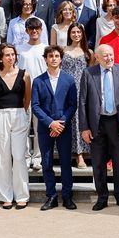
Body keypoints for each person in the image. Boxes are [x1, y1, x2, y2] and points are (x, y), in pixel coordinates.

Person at [79, 44, 119, 211]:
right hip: (97, 124)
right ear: (97, 57)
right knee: (98, 163)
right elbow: (82, 102)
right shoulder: (88, 73)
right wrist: (84, 127)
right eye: (105, 56)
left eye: (111, 55)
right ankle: (102, 197)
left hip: (118, 123)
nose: (109, 58)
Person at [31, 45, 78, 210]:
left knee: (65, 162)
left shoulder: (69, 80)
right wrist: (51, 123)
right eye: (50, 56)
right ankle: (51, 196)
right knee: (47, 162)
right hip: (46, 128)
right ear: (45, 59)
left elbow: (73, 105)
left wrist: (61, 122)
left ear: (61, 59)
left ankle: (67, 196)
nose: (53, 58)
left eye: (57, 56)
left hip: (64, 128)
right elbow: (35, 106)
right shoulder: (38, 81)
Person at [0, 43, 31, 209]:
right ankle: (5, 196)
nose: (10, 57)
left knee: (19, 157)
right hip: (0, 115)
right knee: (2, 157)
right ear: (0, 57)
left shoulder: (24, 75)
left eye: (13, 54)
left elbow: (27, 99)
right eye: (7, 55)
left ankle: (22, 195)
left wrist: (20, 113)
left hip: (19, 114)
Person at [17, 17, 48, 171]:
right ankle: (25, 157)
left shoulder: (46, 48)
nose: (34, 31)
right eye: (31, 29)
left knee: (39, 128)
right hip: (23, 91)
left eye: (37, 28)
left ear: (41, 30)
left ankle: (37, 158)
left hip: (42, 92)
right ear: (27, 31)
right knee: (23, 127)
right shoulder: (19, 49)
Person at [62, 23, 92, 169]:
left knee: (80, 121)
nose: (76, 35)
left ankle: (80, 154)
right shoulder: (62, 50)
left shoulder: (88, 52)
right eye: (73, 32)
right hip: (66, 89)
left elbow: (91, 73)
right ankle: (66, 152)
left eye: (78, 32)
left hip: (82, 89)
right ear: (69, 34)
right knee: (68, 120)